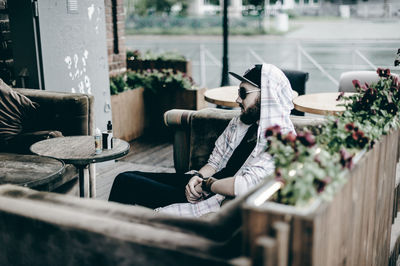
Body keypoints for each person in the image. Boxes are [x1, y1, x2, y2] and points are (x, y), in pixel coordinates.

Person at [108, 63, 295, 217]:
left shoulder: (281, 140)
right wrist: (198, 178)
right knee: (125, 178)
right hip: (200, 186)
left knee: (125, 181)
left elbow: (243, 186)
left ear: (267, 96)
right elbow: (214, 161)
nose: (237, 99)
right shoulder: (240, 122)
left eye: (244, 93)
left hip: (213, 197)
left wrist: (207, 184)